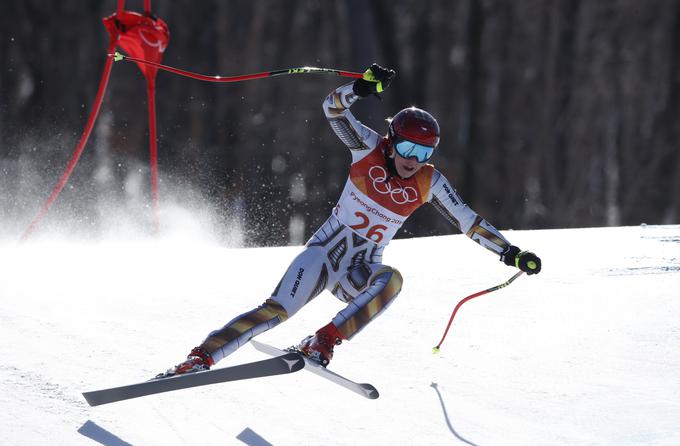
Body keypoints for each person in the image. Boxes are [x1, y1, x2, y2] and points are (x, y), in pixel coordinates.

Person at [158, 64, 541, 377]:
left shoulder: (429, 182)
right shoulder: (368, 148)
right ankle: (199, 358)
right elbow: (332, 109)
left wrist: (511, 253)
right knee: (275, 311)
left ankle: (322, 341)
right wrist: (360, 88)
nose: (413, 160)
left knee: (392, 280)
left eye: (424, 153)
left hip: (359, 273)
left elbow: (469, 221)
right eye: (407, 147)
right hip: (322, 257)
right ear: (392, 141)